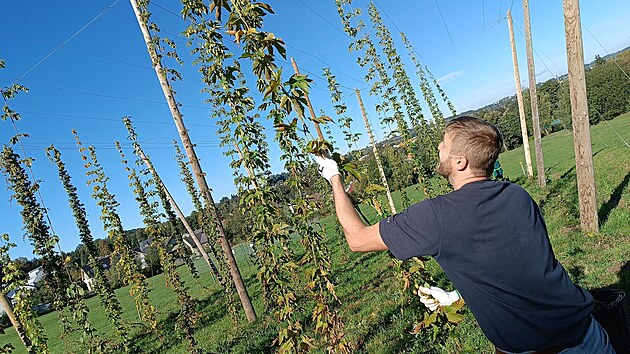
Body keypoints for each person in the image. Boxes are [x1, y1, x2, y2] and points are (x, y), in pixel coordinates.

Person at [315, 117, 614, 353]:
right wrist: (456, 296)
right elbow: (516, 270)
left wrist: (335, 179)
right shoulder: (517, 195)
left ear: (460, 162)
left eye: (444, 144)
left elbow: (357, 239)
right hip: (588, 337)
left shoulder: (435, 216)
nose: (438, 149)